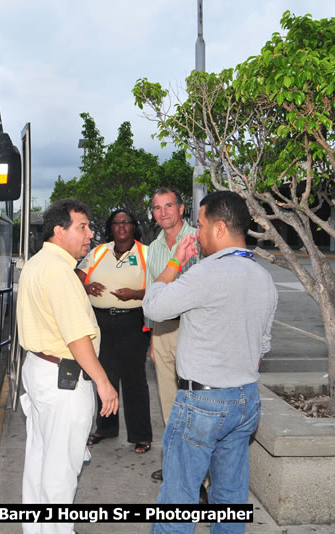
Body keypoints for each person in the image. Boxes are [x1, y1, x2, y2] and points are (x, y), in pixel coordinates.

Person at [143, 191, 277, 534]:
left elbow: (153, 306)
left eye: (201, 226)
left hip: (202, 402)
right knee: (230, 497)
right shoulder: (263, 277)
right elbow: (262, 347)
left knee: (178, 499)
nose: (198, 234)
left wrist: (175, 262)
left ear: (219, 228)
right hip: (245, 399)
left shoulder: (206, 273)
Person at [16, 198, 118, 534]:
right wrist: (103, 382)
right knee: (60, 470)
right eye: (82, 227)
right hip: (64, 378)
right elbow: (77, 337)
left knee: (41, 460)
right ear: (59, 231)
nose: (90, 234)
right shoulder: (59, 272)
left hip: (41, 370)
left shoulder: (38, 263)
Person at [76, 209, 152, 454]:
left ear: (134, 227)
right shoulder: (98, 252)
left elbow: (162, 286)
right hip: (100, 322)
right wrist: (87, 287)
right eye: (117, 223)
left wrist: (136, 294)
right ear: (110, 227)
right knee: (104, 375)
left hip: (133, 322)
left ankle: (141, 435)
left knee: (134, 380)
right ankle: (106, 428)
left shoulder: (146, 253)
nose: (121, 226)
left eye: (126, 222)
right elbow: (75, 278)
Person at [145, 187, 199, 481]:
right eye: (157, 207)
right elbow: (151, 294)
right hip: (163, 330)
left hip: (193, 327)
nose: (163, 212)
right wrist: (153, 337)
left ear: (181, 208)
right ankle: (175, 468)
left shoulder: (198, 239)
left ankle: (199, 479)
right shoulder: (153, 248)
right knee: (169, 404)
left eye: (168, 206)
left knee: (195, 404)